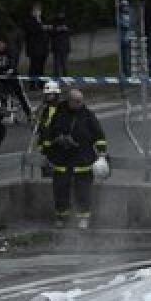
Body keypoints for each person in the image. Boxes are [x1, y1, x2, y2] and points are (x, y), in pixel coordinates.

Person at [43, 89, 108, 229]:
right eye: (77, 101)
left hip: (82, 160)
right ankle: (61, 217)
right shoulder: (59, 114)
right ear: (69, 101)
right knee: (60, 190)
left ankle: (83, 219)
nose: (80, 104)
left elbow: (99, 136)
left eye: (81, 101)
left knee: (83, 191)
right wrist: (55, 144)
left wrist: (102, 154)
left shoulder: (88, 116)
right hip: (62, 160)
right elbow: (48, 134)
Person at [0, 38, 31, 122]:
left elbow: (13, 61)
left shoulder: (10, 51)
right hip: (0, 78)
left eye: (0, 43)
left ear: (4, 44)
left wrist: (11, 69)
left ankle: (29, 114)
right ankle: (4, 115)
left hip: (12, 77)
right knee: (1, 96)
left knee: (21, 95)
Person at [24, 2, 50, 89]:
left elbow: (46, 29)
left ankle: (40, 83)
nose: (38, 12)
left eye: (39, 10)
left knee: (41, 67)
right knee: (34, 67)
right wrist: (39, 24)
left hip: (43, 48)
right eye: (36, 10)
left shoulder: (42, 19)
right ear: (32, 11)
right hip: (34, 48)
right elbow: (33, 31)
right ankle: (32, 84)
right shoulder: (29, 20)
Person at [50, 12, 72, 77]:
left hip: (65, 47)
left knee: (64, 65)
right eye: (59, 13)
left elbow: (72, 31)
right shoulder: (53, 22)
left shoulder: (67, 21)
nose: (61, 15)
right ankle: (56, 78)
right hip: (56, 47)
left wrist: (67, 29)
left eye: (62, 14)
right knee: (56, 65)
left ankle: (65, 78)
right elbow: (50, 32)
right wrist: (57, 29)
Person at [118, 0, 133, 77]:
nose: (125, 7)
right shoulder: (119, 16)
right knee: (124, 57)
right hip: (122, 39)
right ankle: (125, 72)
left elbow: (130, 25)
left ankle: (128, 72)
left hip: (128, 39)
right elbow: (123, 25)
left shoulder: (129, 15)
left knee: (129, 57)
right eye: (124, 6)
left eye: (126, 6)